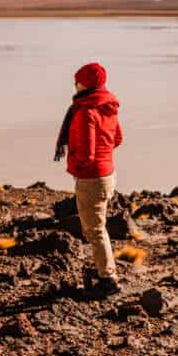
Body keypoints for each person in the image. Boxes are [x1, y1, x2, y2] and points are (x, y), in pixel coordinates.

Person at [54, 62, 123, 297]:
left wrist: (76, 165)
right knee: (98, 228)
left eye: (78, 80)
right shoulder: (107, 107)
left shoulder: (86, 111)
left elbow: (86, 153)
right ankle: (105, 271)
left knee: (94, 231)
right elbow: (117, 139)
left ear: (87, 83)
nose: (75, 85)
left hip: (92, 177)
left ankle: (108, 279)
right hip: (107, 174)